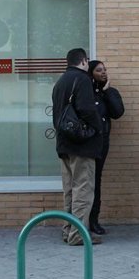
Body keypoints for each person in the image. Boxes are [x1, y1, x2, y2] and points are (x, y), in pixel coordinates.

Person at [51, 48, 105, 245]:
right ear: (83, 61)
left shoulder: (60, 82)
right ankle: (78, 234)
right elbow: (87, 110)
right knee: (83, 190)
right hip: (82, 145)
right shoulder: (82, 79)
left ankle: (68, 230)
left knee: (70, 191)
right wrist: (98, 128)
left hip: (64, 144)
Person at [87, 60, 125, 235]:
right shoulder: (85, 92)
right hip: (86, 143)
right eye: (99, 70)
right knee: (85, 182)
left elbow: (118, 112)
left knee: (96, 180)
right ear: (90, 73)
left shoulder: (109, 92)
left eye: (105, 70)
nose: (103, 73)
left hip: (101, 144)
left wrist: (107, 92)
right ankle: (81, 220)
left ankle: (94, 220)